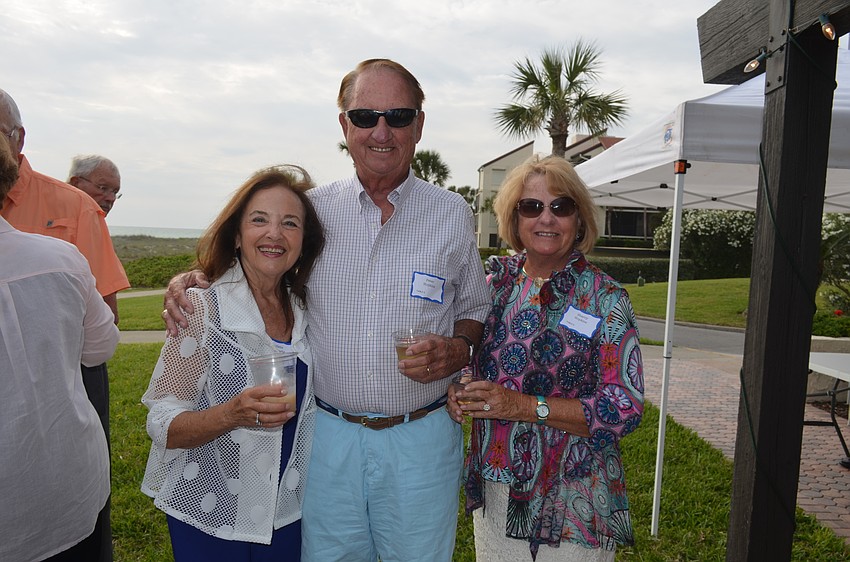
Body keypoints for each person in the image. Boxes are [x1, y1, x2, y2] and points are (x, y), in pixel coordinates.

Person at [164, 59, 490, 561]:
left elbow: (472, 306)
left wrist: (459, 346)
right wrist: (193, 279)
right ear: (344, 125)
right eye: (365, 116)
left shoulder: (451, 213)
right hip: (327, 439)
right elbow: (260, 259)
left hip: (422, 439)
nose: (381, 130)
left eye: (398, 116)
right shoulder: (313, 211)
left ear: (419, 125)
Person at [447, 154, 644, 561]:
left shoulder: (605, 298)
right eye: (532, 206)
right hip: (499, 488)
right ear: (514, 218)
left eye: (561, 206)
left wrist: (524, 406)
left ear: (580, 217)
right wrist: (458, 387)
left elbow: (624, 406)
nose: (547, 219)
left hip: (574, 492)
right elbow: (471, 362)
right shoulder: (495, 286)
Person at [142, 165, 325, 561]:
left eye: (289, 223)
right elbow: (161, 423)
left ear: (302, 241)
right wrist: (232, 413)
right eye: (259, 220)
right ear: (238, 236)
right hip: (212, 510)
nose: (274, 233)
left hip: (286, 512)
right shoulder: (202, 310)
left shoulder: (307, 310)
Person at [0, 87, 130, 561]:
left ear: (20, 138)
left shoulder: (74, 208)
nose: (109, 198)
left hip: (70, 375)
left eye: (116, 191)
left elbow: (105, 323)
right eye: (103, 188)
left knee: (77, 516)